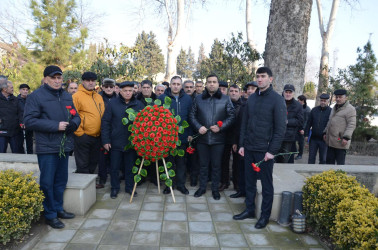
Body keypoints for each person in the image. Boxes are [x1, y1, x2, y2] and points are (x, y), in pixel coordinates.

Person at [24, 65, 80, 229]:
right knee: (47, 182)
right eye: (53, 78)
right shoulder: (35, 96)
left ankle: (58, 209)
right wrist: (55, 125)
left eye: (59, 78)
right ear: (45, 79)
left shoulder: (66, 95)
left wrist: (74, 124)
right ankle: (50, 215)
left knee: (61, 180)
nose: (57, 81)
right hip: (47, 147)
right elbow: (29, 121)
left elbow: (76, 115)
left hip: (64, 146)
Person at [234, 67, 286, 229]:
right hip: (249, 148)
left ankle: (264, 216)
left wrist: (272, 151)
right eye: (258, 76)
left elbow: (280, 129)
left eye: (263, 76)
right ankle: (249, 209)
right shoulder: (252, 99)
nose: (260, 79)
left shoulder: (277, 100)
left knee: (266, 184)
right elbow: (245, 124)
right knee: (249, 181)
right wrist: (242, 144)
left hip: (265, 151)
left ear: (271, 79)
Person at [189, 74, 235, 200]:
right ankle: (202, 187)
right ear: (206, 84)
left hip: (218, 139)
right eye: (209, 82)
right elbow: (192, 115)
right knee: (203, 165)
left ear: (218, 84)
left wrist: (221, 127)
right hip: (202, 139)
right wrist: (198, 127)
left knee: (216, 166)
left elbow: (231, 116)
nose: (212, 84)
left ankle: (215, 189)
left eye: (214, 82)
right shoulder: (198, 99)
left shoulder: (225, 99)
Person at [101, 81, 144, 199]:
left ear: (133, 91)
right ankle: (114, 188)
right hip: (115, 142)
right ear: (119, 91)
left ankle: (129, 187)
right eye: (125, 91)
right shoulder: (112, 104)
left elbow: (143, 124)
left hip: (131, 143)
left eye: (130, 90)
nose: (128, 93)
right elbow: (105, 122)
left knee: (129, 167)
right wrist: (105, 140)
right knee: (114, 168)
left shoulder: (138, 104)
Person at [159, 76, 192, 195]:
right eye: (174, 84)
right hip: (167, 137)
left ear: (181, 85)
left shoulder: (187, 99)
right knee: (169, 162)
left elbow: (190, 117)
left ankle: (181, 185)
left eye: (178, 84)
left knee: (181, 162)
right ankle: (169, 185)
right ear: (170, 85)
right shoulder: (162, 98)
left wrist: (189, 133)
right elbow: (158, 117)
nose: (176, 86)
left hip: (182, 137)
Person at [73, 72, 105, 174]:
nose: (91, 83)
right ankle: (83, 186)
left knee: (93, 163)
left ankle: (89, 186)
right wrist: (80, 133)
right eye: (88, 80)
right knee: (83, 164)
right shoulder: (76, 96)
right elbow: (72, 115)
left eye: (93, 80)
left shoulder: (98, 96)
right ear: (83, 82)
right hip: (83, 136)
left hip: (97, 137)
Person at [219, 84, 243, 192]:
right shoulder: (224, 103)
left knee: (237, 163)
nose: (233, 93)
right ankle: (224, 182)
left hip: (237, 139)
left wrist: (237, 141)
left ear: (240, 93)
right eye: (232, 91)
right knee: (224, 161)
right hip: (224, 137)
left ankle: (237, 184)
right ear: (229, 92)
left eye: (236, 91)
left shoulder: (243, 105)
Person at [323, 89, 356, 165]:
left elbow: (352, 124)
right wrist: (325, 132)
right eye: (336, 97)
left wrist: (346, 137)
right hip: (331, 141)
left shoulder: (350, 109)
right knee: (329, 164)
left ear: (345, 98)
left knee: (340, 165)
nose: (338, 99)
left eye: (340, 97)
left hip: (341, 141)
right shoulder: (334, 108)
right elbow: (330, 121)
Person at [97, 78, 117, 189]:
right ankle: (102, 178)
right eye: (106, 86)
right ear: (102, 87)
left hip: (114, 131)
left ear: (114, 88)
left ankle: (116, 177)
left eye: (111, 87)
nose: (109, 89)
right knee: (102, 158)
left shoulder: (118, 98)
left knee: (114, 156)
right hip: (102, 130)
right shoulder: (98, 98)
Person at [276, 84, 303, 163]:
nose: (288, 94)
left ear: (293, 93)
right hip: (277, 136)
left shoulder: (298, 105)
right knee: (275, 159)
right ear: (283, 92)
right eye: (286, 92)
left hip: (289, 137)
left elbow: (300, 121)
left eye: (290, 92)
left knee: (286, 160)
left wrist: (287, 121)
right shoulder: (278, 103)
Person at [304, 93, 331, 164]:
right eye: (321, 100)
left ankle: (321, 174)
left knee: (323, 159)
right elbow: (308, 123)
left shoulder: (331, 111)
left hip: (324, 139)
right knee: (311, 158)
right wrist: (306, 134)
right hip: (314, 138)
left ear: (328, 101)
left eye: (325, 101)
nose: (323, 102)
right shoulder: (314, 110)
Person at [0, 79, 23, 153]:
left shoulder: (16, 100)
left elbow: (20, 113)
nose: (13, 89)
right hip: (2, 130)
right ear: (4, 89)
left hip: (15, 130)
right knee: (1, 152)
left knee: (16, 152)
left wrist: (22, 122)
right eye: (11, 88)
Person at [17, 83, 34, 154]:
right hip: (19, 125)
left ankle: (30, 155)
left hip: (29, 124)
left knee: (29, 142)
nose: (25, 91)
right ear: (20, 90)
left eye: (27, 90)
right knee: (20, 143)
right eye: (23, 89)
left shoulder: (30, 100)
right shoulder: (16, 100)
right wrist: (21, 122)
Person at [294, 95, 311, 160]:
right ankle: (293, 152)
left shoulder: (307, 109)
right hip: (296, 127)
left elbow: (307, 120)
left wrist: (303, 129)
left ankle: (300, 154)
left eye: (298, 100)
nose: (297, 101)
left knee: (301, 142)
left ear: (302, 101)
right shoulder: (297, 107)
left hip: (302, 129)